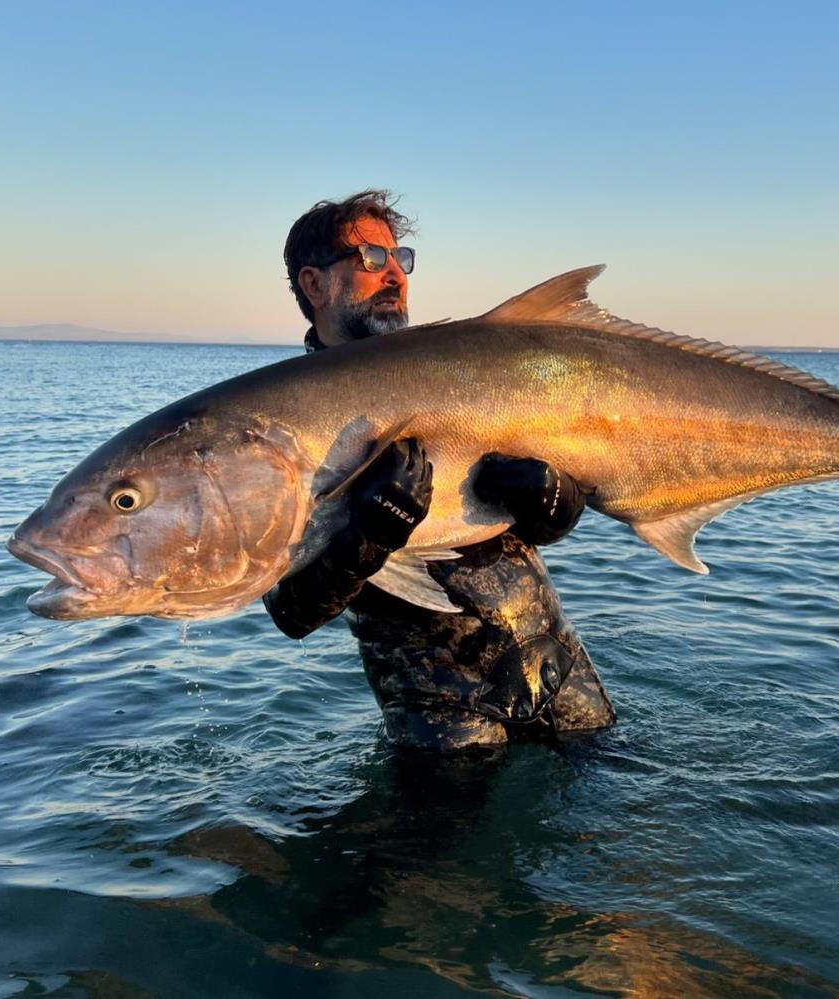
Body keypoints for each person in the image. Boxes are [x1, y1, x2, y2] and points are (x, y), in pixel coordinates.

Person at [264, 190, 615, 750]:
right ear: (314, 284)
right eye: (371, 260)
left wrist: (556, 504)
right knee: (448, 838)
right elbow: (291, 610)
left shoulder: (464, 375)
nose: (395, 276)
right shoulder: (283, 422)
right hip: (443, 714)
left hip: (558, 665)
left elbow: (525, 524)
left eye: (400, 260)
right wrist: (367, 535)